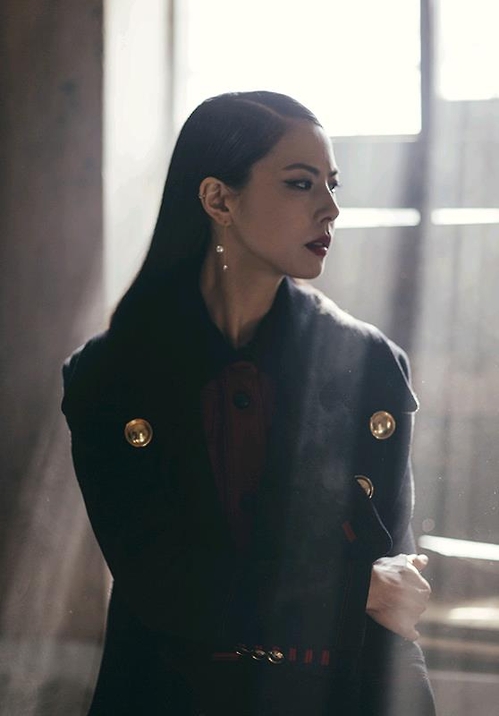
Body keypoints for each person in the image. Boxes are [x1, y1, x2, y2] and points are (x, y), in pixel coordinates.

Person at [62, 91, 436, 715]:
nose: (331, 208)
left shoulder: (370, 363)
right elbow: (162, 583)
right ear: (219, 200)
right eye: (301, 183)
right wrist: (354, 589)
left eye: (332, 185)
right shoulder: (111, 375)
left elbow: (391, 599)